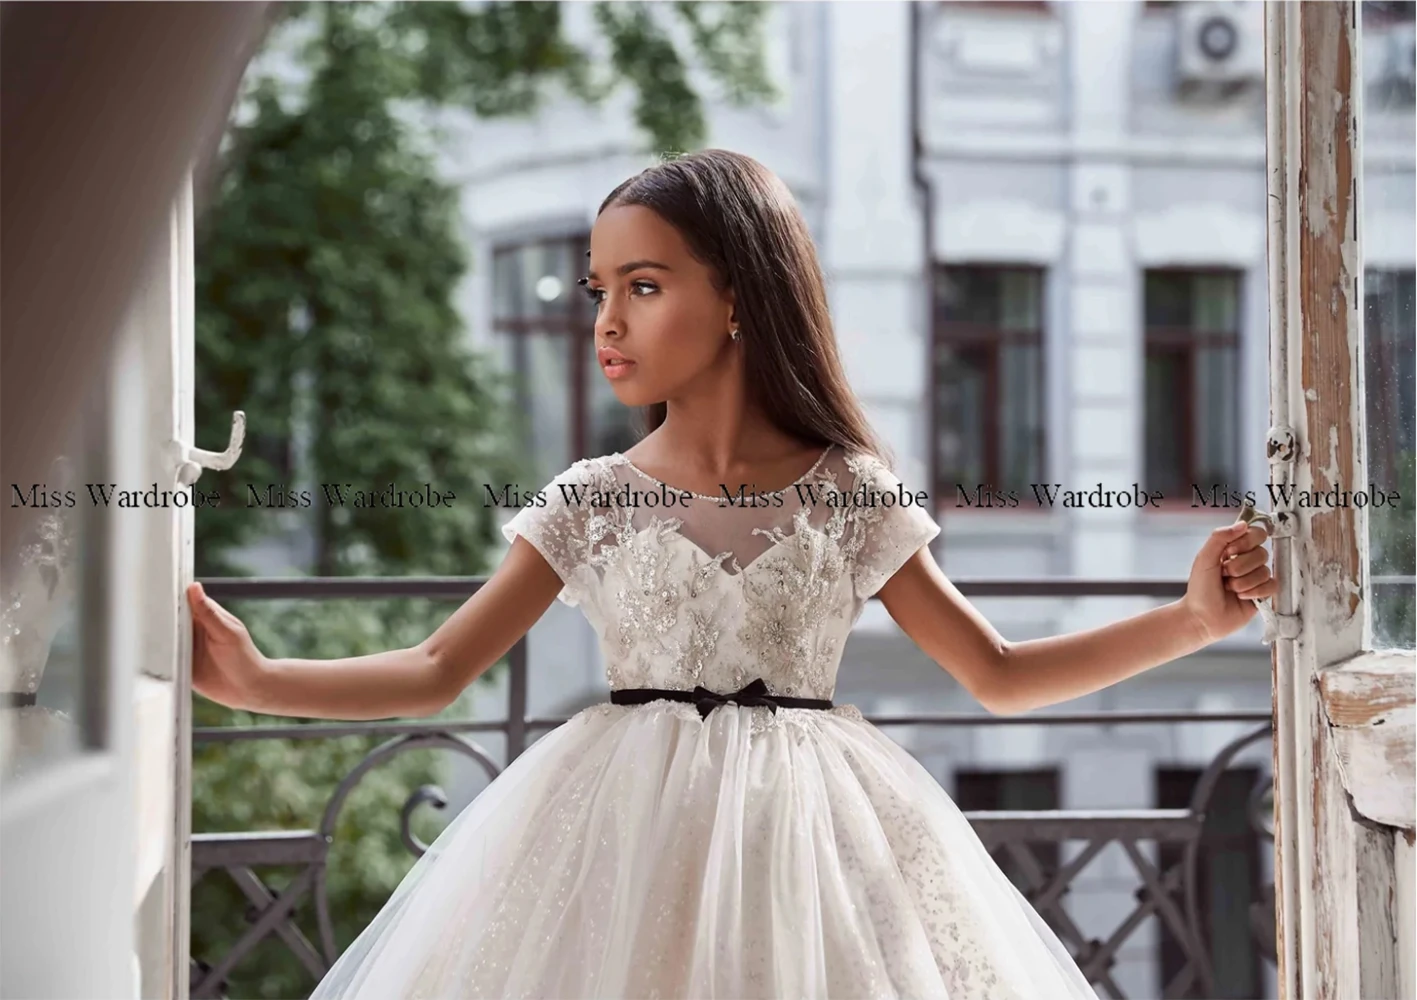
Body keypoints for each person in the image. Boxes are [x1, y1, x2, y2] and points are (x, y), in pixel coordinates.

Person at [188, 149, 1276, 999]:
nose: (606, 321)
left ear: (740, 296)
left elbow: (994, 672)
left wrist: (1187, 619)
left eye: (645, 284)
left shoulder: (847, 488)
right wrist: (260, 681)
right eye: (597, 288)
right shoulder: (592, 497)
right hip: (619, 839)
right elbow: (436, 667)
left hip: (816, 847)